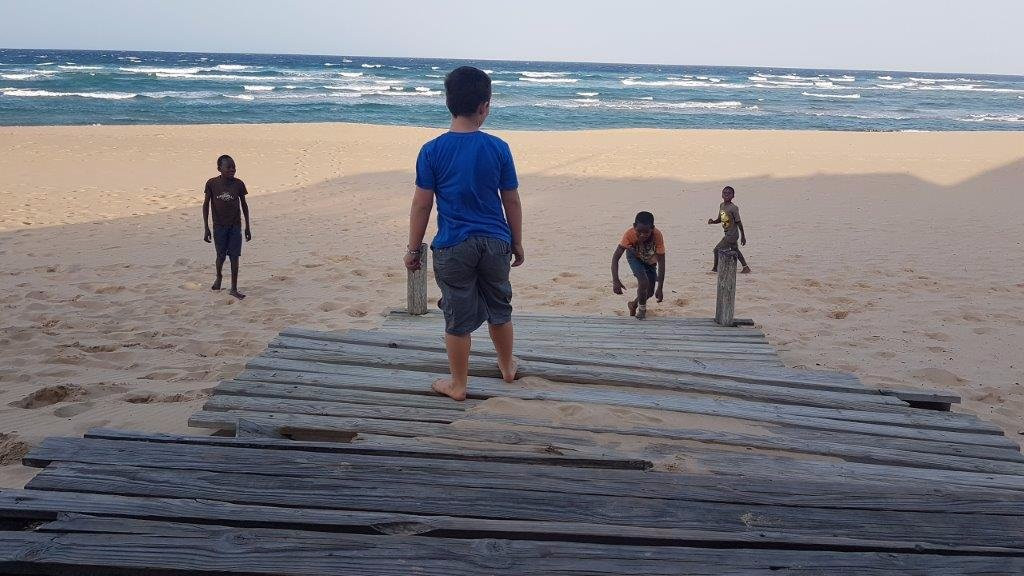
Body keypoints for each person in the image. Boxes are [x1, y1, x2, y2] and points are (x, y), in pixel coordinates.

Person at [404, 66, 524, 401]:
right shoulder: (499, 148)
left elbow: (422, 206)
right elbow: (511, 200)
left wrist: (413, 250)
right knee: (499, 307)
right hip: (495, 241)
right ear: (485, 106)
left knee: (457, 315)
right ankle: (506, 366)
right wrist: (517, 242)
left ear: (448, 102)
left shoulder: (432, 150)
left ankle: (458, 384)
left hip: (453, 244)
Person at [202, 154, 251, 299]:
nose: (232, 169)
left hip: (235, 226)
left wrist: (247, 226)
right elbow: (206, 205)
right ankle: (219, 277)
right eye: (228, 167)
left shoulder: (239, 184)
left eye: (234, 167)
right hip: (219, 227)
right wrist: (206, 227)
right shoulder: (211, 184)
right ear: (219, 168)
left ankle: (234, 288)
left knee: (235, 257)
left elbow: (244, 205)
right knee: (221, 256)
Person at [612, 211, 665, 320]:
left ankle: (633, 305)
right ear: (634, 226)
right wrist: (615, 280)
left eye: (646, 232)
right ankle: (642, 311)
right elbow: (615, 258)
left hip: (650, 259)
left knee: (650, 292)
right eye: (639, 231)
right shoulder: (629, 235)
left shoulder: (657, 235)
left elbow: (662, 262)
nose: (643, 235)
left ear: (652, 228)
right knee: (643, 281)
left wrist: (660, 287)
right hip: (634, 257)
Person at [708, 185, 750, 273]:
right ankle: (745, 267)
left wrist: (743, 236)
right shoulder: (722, 205)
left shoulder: (734, 208)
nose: (726, 194)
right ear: (722, 195)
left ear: (733, 196)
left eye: (729, 193)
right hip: (727, 233)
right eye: (725, 193)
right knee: (735, 249)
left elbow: (739, 222)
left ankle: (715, 269)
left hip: (732, 235)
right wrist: (713, 222)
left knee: (717, 250)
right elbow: (720, 219)